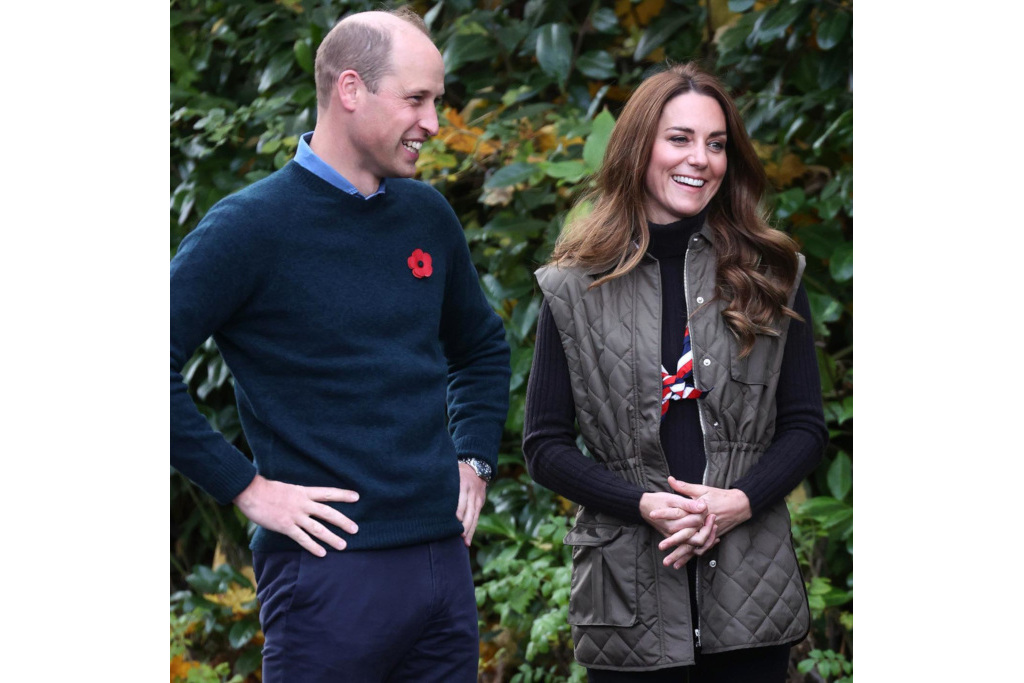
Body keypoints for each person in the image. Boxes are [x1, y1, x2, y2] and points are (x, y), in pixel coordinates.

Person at [170, 7, 510, 682]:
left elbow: (481, 347)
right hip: (329, 576)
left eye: (437, 102)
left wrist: (473, 456)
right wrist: (246, 487)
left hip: (443, 564)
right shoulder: (248, 228)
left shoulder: (426, 214)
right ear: (350, 90)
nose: (435, 124)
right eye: (417, 99)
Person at [523, 62, 828, 682]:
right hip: (626, 601)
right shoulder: (572, 286)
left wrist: (738, 502)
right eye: (680, 138)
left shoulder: (772, 273)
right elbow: (544, 446)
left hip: (750, 587)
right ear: (640, 147)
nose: (702, 159)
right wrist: (644, 503)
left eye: (716, 143)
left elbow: (805, 427)